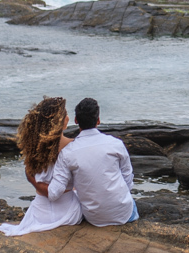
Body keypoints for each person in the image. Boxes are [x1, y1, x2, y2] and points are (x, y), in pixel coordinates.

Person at [0, 96, 83, 236]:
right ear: (61, 122)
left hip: (39, 211)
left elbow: (32, 175)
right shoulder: (74, 146)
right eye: (65, 114)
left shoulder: (34, 148)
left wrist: (33, 181)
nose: (68, 117)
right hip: (68, 212)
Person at [46, 97, 137, 226]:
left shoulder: (67, 153)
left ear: (76, 120)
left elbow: (54, 193)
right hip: (123, 213)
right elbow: (128, 178)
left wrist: (34, 180)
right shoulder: (115, 144)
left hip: (94, 218)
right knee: (131, 203)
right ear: (98, 121)